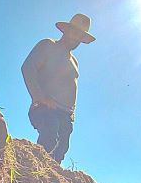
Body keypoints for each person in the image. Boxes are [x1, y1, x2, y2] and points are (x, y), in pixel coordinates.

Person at [20, 13, 94, 163]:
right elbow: (28, 68)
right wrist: (40, 97)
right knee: (50, 135)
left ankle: (48, 179)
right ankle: (34, 170)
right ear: (66, 30)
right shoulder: (48, 45)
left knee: (61, 149)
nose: (76, 38)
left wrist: (71, 114)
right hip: (46, 106)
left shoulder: (74, 61)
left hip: (66, 114)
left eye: (80, 36)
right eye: (74, 33)